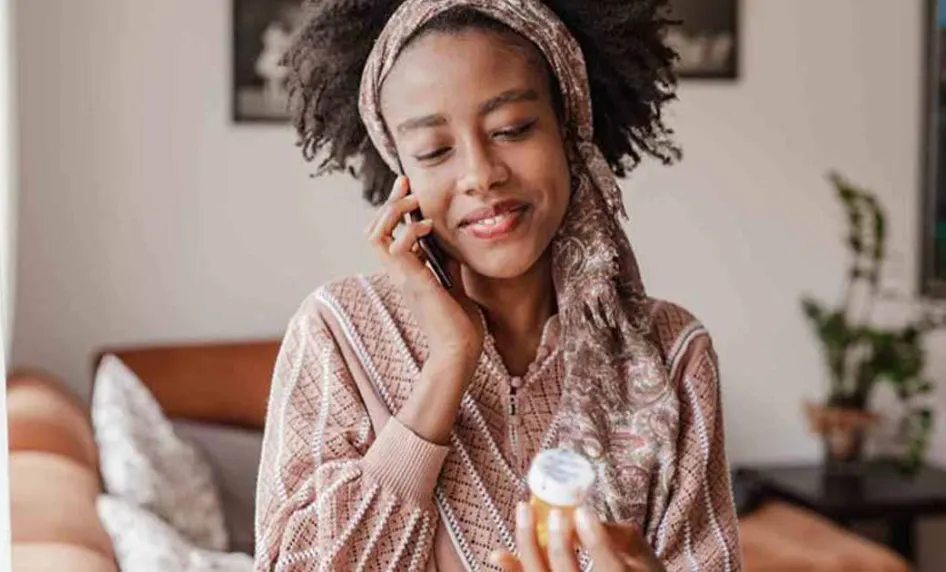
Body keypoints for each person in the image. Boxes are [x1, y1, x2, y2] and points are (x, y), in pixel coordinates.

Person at [253, 1, 742, 570]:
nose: (480, 174)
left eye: (512, 129)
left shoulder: (674, 354)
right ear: (400, 172)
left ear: (568, 128)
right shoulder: (336, 332)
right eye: (435, 150)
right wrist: (447, 365)